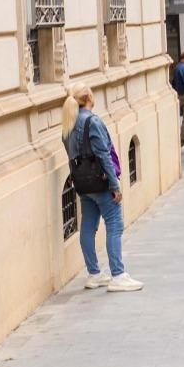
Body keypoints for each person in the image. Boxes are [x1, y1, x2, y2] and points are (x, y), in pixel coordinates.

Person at [62, 87, 142, 291]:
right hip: (101, 182)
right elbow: (103, 155)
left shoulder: (68, 123)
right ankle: (118, 275)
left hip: (83, 184)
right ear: (89, 97)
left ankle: (94, 274)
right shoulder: (92, 121)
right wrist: (115, 185)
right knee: (115, 224)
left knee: (88, 226)